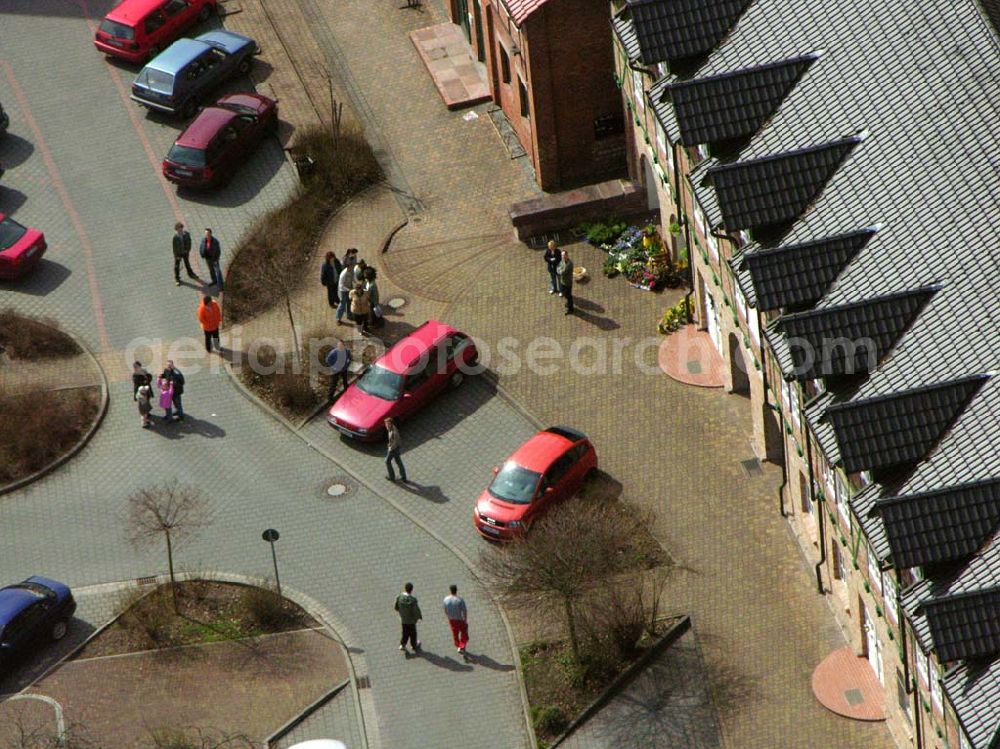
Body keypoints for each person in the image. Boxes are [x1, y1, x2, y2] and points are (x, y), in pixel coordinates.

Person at [394, 582, 422, 653]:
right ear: (411, 590)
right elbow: (416, 611)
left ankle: (403, 644)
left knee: (405, 632)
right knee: (413, 633)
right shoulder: (413, 600)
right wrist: (418, 617)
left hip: (403, 619)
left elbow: (396, 607)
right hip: (411, 620)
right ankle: (414, 645)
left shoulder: (399, 597)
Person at [443, 584, 469, 654]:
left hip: (452, 620)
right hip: (460, 620)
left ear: (450, 590)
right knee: (464, 633)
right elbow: (464, 611)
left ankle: (458, 645)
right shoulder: (460, 600)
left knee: (455, 634)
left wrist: (448, 617)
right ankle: (462, 645)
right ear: (456, 590)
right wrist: (465, 620)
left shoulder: (445, 599)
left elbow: (445, 610)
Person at [384, 416, 407, 482]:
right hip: (396, 448)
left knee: (387, 461)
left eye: (388, 424)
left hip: (394, 449)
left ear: (391, 424)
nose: (386, 426)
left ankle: (392, 477)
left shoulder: (394, 432)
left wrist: (390, 448)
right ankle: (403, 477)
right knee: (398, 461)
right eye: (386, 424)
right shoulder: (391, 428)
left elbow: (395, 442)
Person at [557, 250, 574, 315]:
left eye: (564, 255)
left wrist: (560, 270)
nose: (563, 257)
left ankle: (571, 309)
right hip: (562, 281)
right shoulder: (562, 261)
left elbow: (563, 272)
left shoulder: (569, 264)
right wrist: (559, 270)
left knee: (568, 296)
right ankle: (568, 303)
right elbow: (558, 268)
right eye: (562, 255)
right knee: (565, 294)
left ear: (567, 255)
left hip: (567, 283)